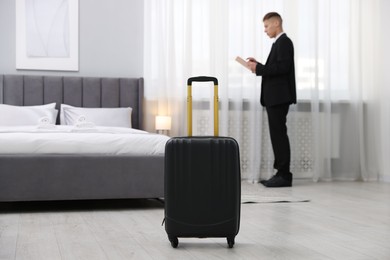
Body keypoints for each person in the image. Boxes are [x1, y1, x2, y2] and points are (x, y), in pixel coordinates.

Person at [247, 12, 296, 187]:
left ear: (276, 23)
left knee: (279, 136)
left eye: (266, 26)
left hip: (278, 97)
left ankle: (284, 175)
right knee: (277, 135)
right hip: (275, 97)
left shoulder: (284, 42)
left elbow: (283, 68)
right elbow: (276, 67)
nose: (265, 30)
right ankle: (281, 173)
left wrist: (259, 68)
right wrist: (258, 65)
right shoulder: (279, 43)